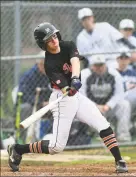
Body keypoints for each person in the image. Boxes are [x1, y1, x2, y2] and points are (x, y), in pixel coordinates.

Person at [7, 22, 128, 173]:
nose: (54, 39)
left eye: (54, 35)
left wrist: (75, 78)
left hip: (78, 96)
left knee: (102, 124)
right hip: (62, 99)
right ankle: (18, 149)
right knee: (56, 147)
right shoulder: (49, 64)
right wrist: (68, 87)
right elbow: (65, 89)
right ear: (43, 44)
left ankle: (119, 160)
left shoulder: (68, 45)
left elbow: (75, 61)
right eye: (49, 39)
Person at [80, 54, 131, 141]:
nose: (99, 68)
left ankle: (123, 135)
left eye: (101, 65)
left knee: (124, 104)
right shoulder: (84, 75)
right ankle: (102, 135)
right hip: (91, 108)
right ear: (91, 66)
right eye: (96, 65)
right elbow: (81, 95)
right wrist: (95, 106)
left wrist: (108, 105)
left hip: (109, 107)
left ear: (105, 64)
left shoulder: (114, 74)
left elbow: (119, 94)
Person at [17, 53, 52, 143]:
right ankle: (25, 141)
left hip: (47, 105)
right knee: (26, 108)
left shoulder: (51, 75)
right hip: (33, 105)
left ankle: (54, 139)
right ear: (39, 64)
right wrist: (41, 103)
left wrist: (50, 101)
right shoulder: (29, 75)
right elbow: (25, 95)